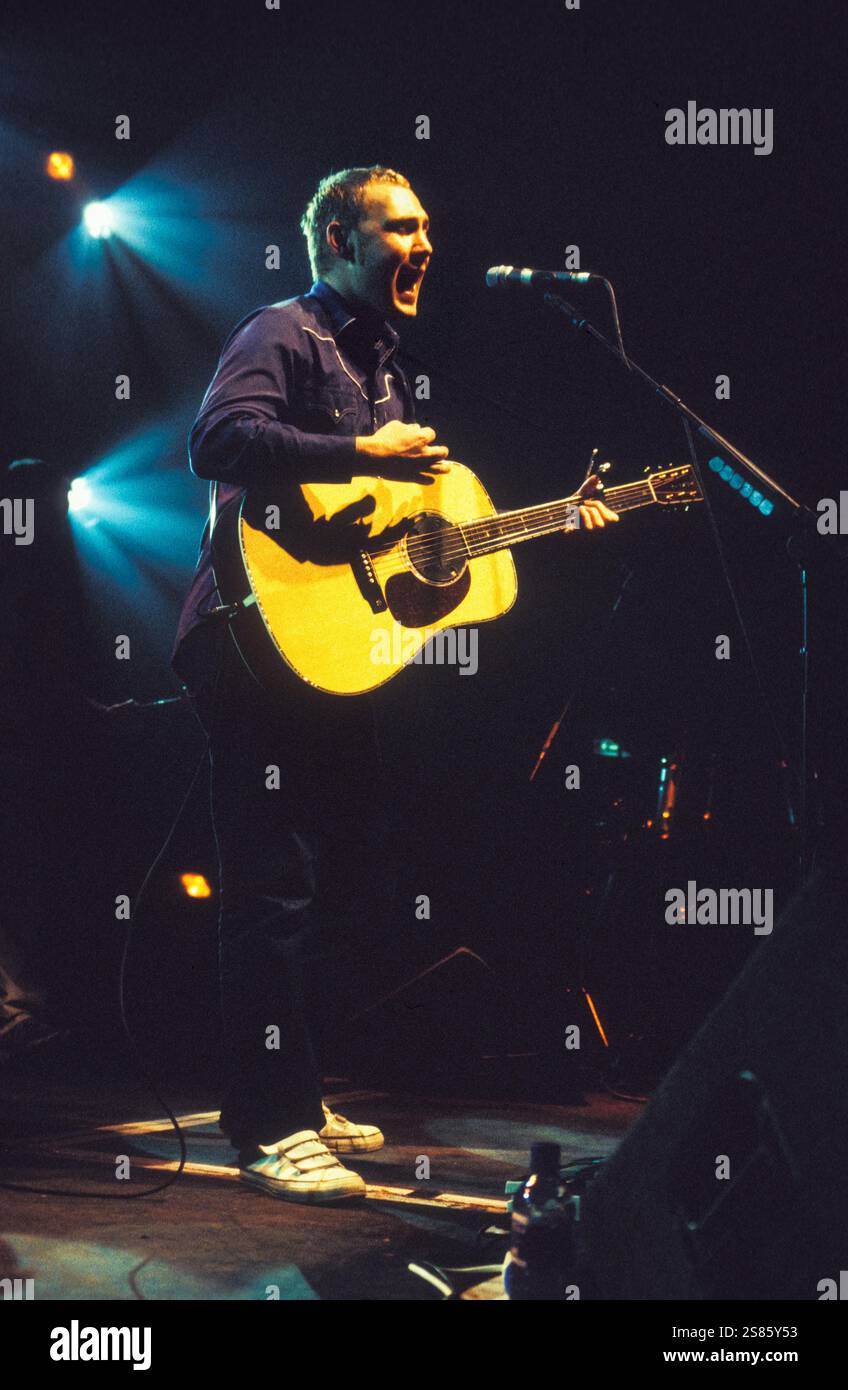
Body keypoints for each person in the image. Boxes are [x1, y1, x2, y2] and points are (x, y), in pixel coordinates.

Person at [172, 165, 618, 1203]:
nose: (423, 245)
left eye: (426, 228)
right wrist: (355, 446)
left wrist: (557, 518)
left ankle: (297, 1089)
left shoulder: (390, 367)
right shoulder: (282, 331)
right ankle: (269, 1126)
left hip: (330, 655)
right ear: (338, 236)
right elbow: (217, 442)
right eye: (399, 227)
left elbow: (396, 552)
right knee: (274, 887)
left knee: (338, 883)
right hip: (250, 647)